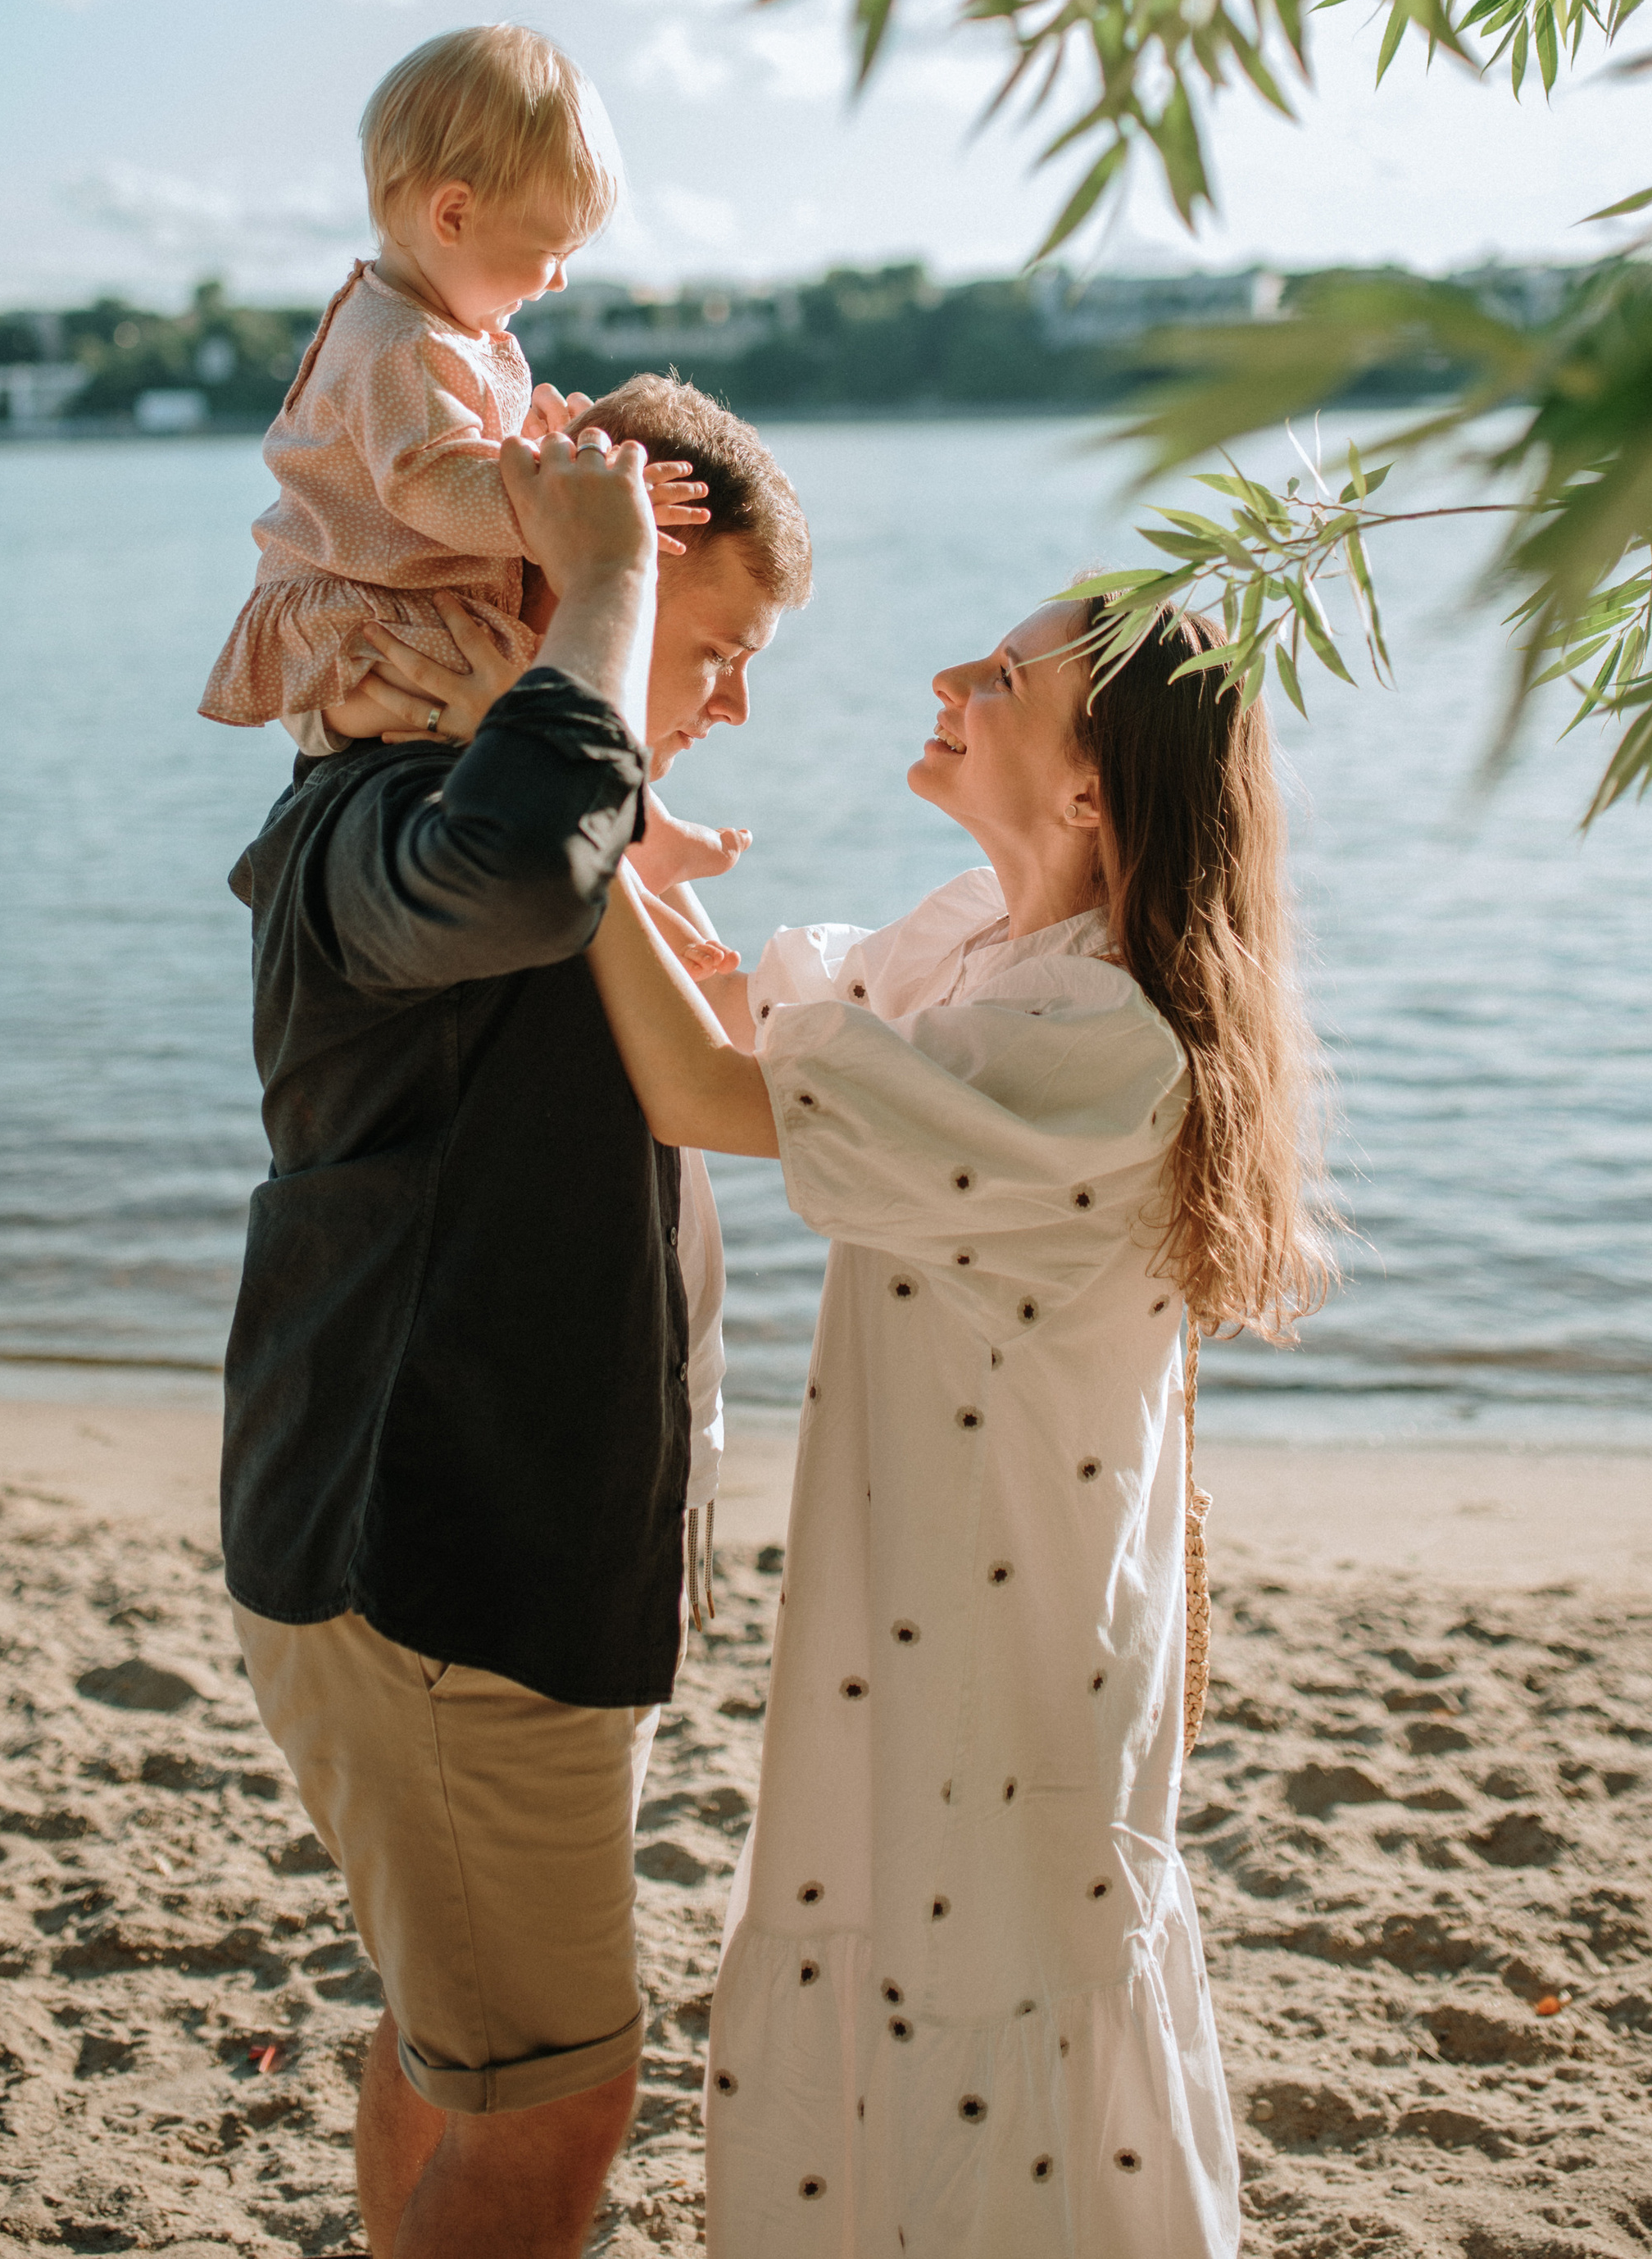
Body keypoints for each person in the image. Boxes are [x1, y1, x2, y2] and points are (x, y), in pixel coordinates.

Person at [582, 595, 1328, 2258]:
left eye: (1000, 679)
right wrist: (614, 846)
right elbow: (738, 1039)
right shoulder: (981, 951)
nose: (943, 681)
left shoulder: (1096, 1041)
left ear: (1086, 795)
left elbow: (705, 1096)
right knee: (909, 1974)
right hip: (922, 1612)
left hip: (1005, 1644)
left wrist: (546, 786)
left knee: (994, 2003)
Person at [220, 381, 812, 2259]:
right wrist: (602, 584)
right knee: (554, 2095)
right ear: (554, 586)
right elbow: (511, 866)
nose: (721, 704)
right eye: (701, 645)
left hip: (505, 1575)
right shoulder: (376, 826)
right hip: (435, 1573)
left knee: (475, 2047)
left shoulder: (568, 852)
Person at [201, 22, 712, 725]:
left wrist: (533, 450)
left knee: (548, 698)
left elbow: (453, 454)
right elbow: (430, 483)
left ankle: (635, 822)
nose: (560, 280)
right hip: (358, 624)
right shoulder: (398, 343)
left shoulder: (433, 325)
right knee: (542, 710)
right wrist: (567, 502)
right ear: (454, 215)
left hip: (402, 607)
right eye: (550, 249)